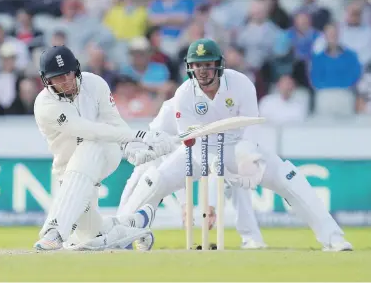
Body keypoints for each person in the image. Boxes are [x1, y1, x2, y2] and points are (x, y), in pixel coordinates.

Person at [119, 39, 353, 252]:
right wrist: (205, 203)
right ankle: (118, 235)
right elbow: (192, 142)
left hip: (238, 146)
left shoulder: (241, 84)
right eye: (197, 65)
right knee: (154, 180)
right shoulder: (183, 94)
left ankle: (333, 238)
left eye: (207, 64)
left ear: (219, 65)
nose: (202, 71)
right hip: (200, 151)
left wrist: (248, 159)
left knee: (290, 177)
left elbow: (250, 129)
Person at [33, 45, 175, 251]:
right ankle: (134, 223)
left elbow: (113, 122)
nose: (66, 82)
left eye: (68, 74)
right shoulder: (45, 105)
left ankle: (54, 231)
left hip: (104, 153)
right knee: (89, 234)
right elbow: (88, 129)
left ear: (76, 70)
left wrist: (130, 146)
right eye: (58, 78)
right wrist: (140, 136)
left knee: (91, 145)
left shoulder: (95, 83)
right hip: (68, 171)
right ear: (47, 80)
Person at [117, 97, 266, 250]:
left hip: (202, 154)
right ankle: (122, 235)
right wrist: (185, 204)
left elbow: (217, 161)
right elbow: (166, 160)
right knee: (144, 182)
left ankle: (251, 238)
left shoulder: (219, 110)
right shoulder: (170, 110)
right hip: (159, 156)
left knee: (238, 178)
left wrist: (210, 206)